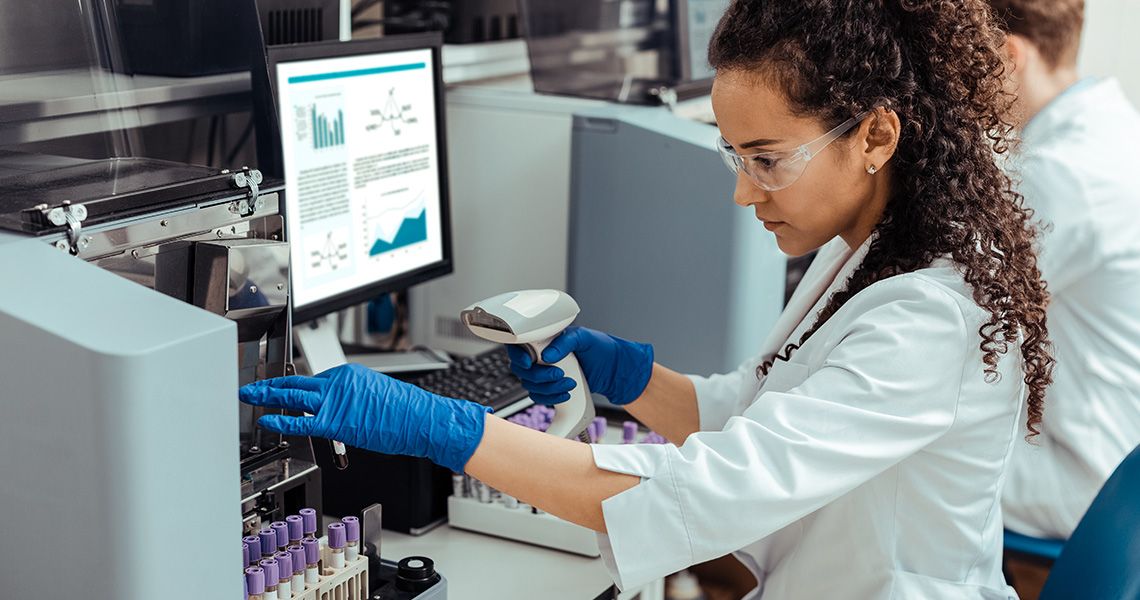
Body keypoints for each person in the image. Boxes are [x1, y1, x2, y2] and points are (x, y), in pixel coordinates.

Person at [241, 1, 1055, 597]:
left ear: (876, 137)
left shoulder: (932, 318)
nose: (745, 193)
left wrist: (442, 427)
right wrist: (626, 374)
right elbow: (756, 409)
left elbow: (700, 493)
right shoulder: (870, 248)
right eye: (734, 155)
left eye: (767, 158)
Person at [987, 0, 1140, 541]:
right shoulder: (1116, 131)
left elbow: (960, 309)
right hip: (1121, 452)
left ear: (1010, 55)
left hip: (1087, 478)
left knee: (890, 460)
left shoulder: (1063, 176)